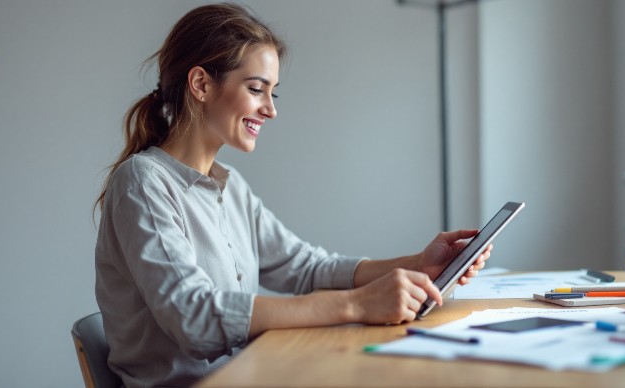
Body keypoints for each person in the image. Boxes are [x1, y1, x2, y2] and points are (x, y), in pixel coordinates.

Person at [94, 3, 490, 387]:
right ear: (200, 84)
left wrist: (419, 264)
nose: (270, 110)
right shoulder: (143, 182)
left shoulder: (231, 187)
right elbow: (192, 317)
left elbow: (304, 267)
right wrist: (356, 305)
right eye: (256, 89)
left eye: (273, 94)